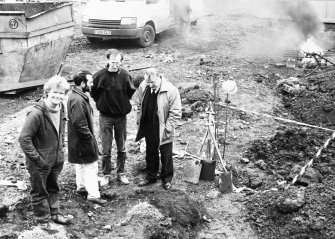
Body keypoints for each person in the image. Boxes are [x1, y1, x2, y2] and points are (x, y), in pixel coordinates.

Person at [19, 76, 73, 229]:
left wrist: (61, 149)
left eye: (62, 93)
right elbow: (24, 139)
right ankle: (43, 219)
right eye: (55, 92)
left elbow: (61, 131)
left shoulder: (61, 108)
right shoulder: (36, 113)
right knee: (39, 190)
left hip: (56, 159)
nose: (58, 96)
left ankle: (55, 213)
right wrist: (37, 159)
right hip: (39, 162)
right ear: (47, 92)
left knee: (53, 186)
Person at [91, 49, 136, 185]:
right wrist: (102, 103)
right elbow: (94, 93)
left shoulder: (125, 75)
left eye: (117, 63)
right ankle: (106, 174)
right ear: (107, 61)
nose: (114, 65)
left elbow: (130, 92)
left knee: (122, 147)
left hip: (121, 118)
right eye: (112, 62)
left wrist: (121, 103)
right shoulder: (99, 76)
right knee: (106, 149)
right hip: (105, 118)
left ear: (120, 62)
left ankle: (121, 173)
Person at [135, 68, 182, 190]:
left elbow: (175, 113)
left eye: (153, 83)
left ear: (159, 77)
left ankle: (167, 178)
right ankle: (151, 176)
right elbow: (138, 103)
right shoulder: (144, 85)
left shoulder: (171, 90)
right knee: (150, 153)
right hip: (149, 126)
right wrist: (139, 119)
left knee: (166, 154)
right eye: (148, 83)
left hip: (163, 128)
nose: (150, 85)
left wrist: (167, 129)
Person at [67, 71, 107, 205]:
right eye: (90, 82)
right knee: (91, 165)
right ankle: (93, 194)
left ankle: (82, 187)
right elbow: (80, 124)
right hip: (83, 140)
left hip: (77, 141)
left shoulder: (77, 96)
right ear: (82, 83)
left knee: (81, 164)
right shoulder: (78, 100)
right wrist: (91, 141)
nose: (92, 84)